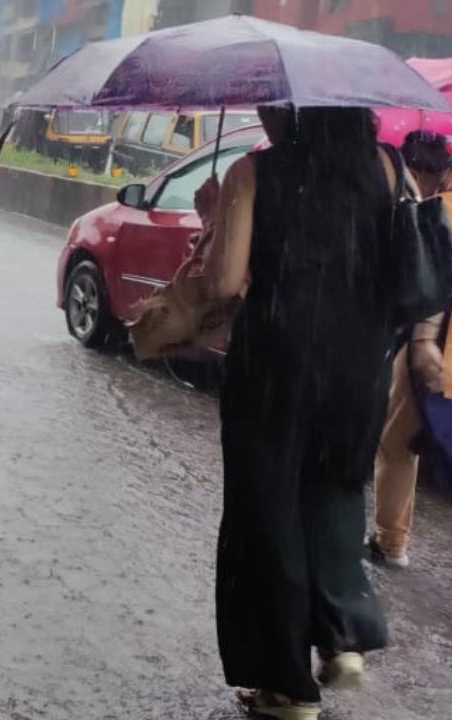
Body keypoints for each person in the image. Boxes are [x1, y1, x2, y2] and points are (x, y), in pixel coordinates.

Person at [199, 106, 397, 718]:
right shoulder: (385, 166)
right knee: (335, 491)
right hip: (359, 364)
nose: (259, 110)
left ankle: (286, 687)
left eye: (267, 100)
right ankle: (343, 636)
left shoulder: (253, 174)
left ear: (290, 108)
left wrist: (215, 219)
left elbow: (226, 285)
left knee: (270, 515)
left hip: (276, 364)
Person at [368, 130, 452, 569]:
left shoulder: (435, 213)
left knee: (397, 443)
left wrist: (422, 341)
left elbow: (431, 289)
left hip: (437, 353)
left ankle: (390, 541)